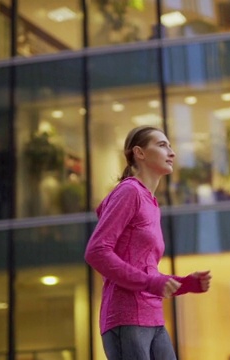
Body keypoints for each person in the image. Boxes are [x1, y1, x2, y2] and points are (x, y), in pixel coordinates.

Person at [84, 126, 212, 360]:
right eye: (162, 145)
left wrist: (183, 284)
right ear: (139, 153)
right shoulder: (129, 192)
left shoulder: (151, 202)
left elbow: (144, 268)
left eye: (170, 146)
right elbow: (96, 251)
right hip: (127, 316)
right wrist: (150, 282)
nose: (171, 152)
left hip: (153, 316)